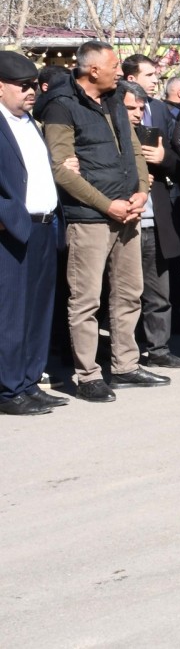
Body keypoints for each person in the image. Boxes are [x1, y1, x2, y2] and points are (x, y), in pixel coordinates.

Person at [38, 40, 171, 402]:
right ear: (93, 69)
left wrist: (141, 191)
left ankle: (126, 366)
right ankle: (87, 375)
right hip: (90, 219)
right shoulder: (62, 107)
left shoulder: (114, 99)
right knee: (86, 300)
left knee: (129, 294)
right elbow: (61, 170)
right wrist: (105, 204)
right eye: (114, 65)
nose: (119, 70)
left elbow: (134, 150)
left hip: (128, 211)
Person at [0, 51, 64, 414]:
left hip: (44, 226)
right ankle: (8, 390)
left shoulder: (30, 123)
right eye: (22, 86)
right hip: (12, 229)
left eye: (32, 86)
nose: (31, 92)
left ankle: (29, 380)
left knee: (39, 310)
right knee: (10, 314)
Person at [119, 80, 180, 369]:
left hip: (156, 224)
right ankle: (125, 353)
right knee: (125, 296)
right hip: (126, 225)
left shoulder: (151, 135)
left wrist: (164, 160)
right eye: (130, 108)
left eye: (140, 107)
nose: (137, 113)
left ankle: (159, 349)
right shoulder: (109, 138)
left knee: (159, 294)